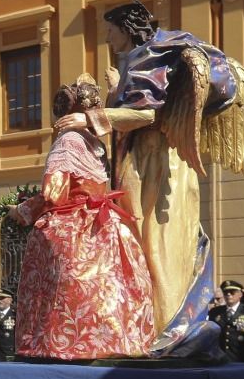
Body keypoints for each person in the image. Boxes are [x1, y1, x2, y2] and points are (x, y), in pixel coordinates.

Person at [56, 1, 244, 354]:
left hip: (158, 164)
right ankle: (139, 324)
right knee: (136, 241)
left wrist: (91, 118)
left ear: (127, 28)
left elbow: (145, 113)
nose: (107, 36)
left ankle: (164, 327)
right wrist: (116, 93)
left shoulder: (152, 55)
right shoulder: (133, 59)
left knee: (156, 241)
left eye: (111, 29)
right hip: (138, 159)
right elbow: (131, 110)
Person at [12, 77, 154, 360]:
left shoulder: (67, 141)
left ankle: (59, 342)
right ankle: (115, 341)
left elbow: (53, 193)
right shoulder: (96, 145)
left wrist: (22, 211)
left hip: (73, 222)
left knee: (62, 281)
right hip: (105, 222)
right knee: (110, 284)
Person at [208, 280, 244, 363]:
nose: (228, 294)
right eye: (225, 292)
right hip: (219, 360)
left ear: (240, 294)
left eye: (232, 292)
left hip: (242, 359)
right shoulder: (215, 312)